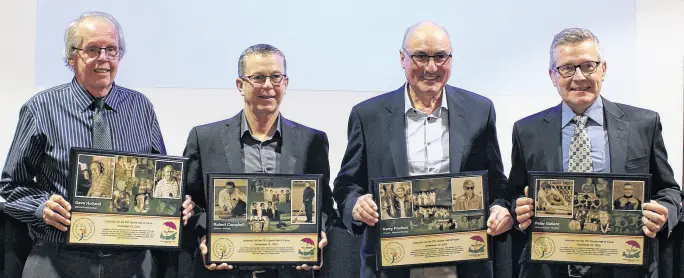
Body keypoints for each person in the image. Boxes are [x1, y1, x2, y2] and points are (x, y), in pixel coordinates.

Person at [0, 12, 194, 277]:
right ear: (71, 57)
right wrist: (40, 206)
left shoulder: (141, 107)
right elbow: (10, 186)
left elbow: (156, 176)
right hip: (58, 259)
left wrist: (176, 203)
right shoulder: (41, 108)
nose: (103, 58)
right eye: (92, 49)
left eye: (111, 49)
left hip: (131, 262)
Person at [333, 21, 512, 278]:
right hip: (392, 264)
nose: (431, 67)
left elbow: (496, 183)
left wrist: (499, 208)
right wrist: (356, 205)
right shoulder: (368, 115)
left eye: (440, 57)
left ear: (451, 59)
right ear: (402, 58)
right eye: (420, 56)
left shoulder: (479, 111)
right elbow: (346, 185)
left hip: (463, 264)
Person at [511, 28, 683, 278]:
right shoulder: (527, 131)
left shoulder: (644, 124)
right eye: (567, 68)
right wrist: (519, 209)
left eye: (588, 65)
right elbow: (514, 192)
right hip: (551, 267)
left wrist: (664, 211)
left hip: (625, 267)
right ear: (552, 76)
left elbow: (669, 190)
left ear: (603, 68)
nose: (579, 77)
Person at [183, 44, 334, 277]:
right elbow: (190, 205)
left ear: (286, 83)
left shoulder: (311, 140)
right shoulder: (204, 139)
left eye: (275, 77)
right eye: (258, 77)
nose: (267, 86)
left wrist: (318, 231)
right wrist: (205, 234)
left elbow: (323, 206)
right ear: (240, 85)